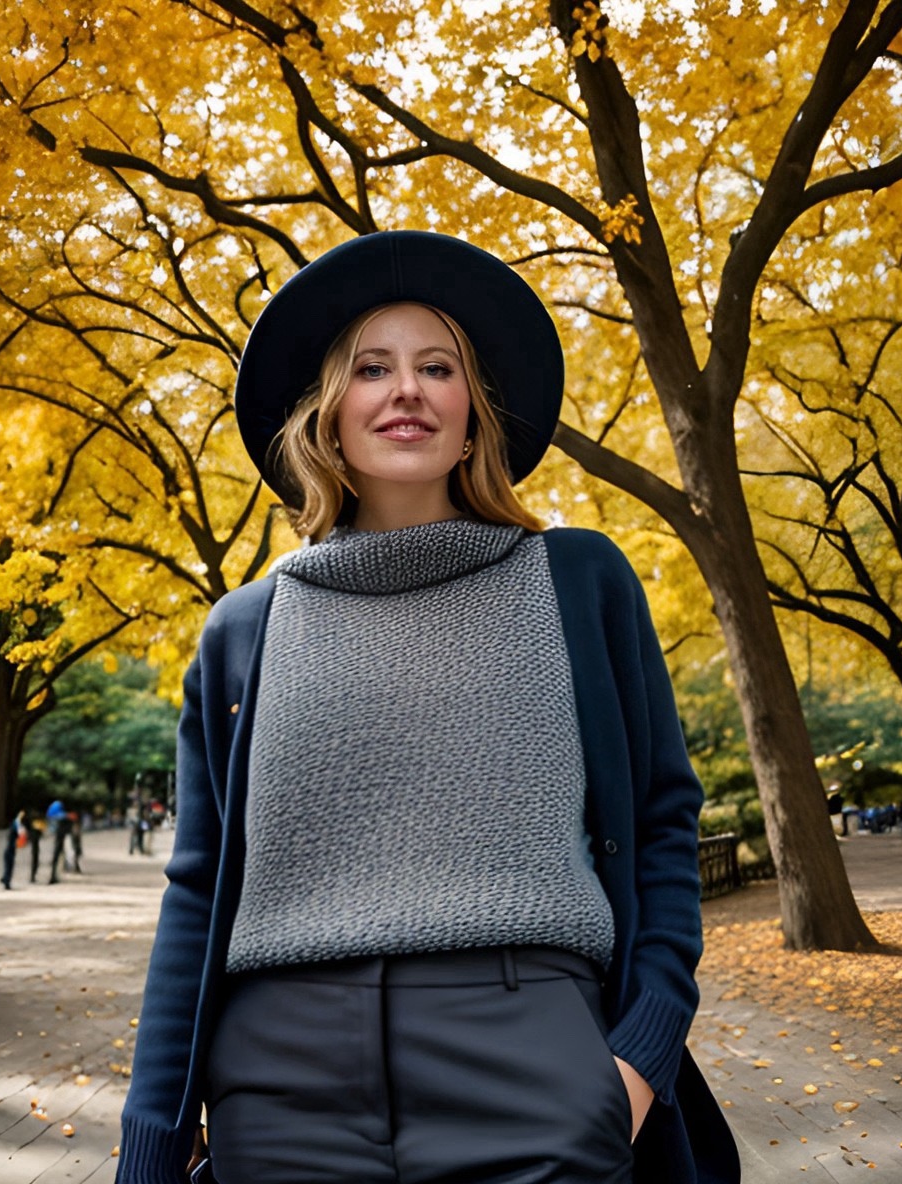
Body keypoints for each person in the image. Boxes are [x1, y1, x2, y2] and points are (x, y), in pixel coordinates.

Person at [115, 232, 739, 1184]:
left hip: (534, 1056)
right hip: (280, 1086)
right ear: (328, 414)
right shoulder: (244, 631)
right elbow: (198, 894)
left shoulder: (578, 583)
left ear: (474, 411)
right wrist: (154, 1139)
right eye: (372, 367)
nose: (406, 389)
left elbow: (662, 825)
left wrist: (636, 1062)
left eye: (436, 367)